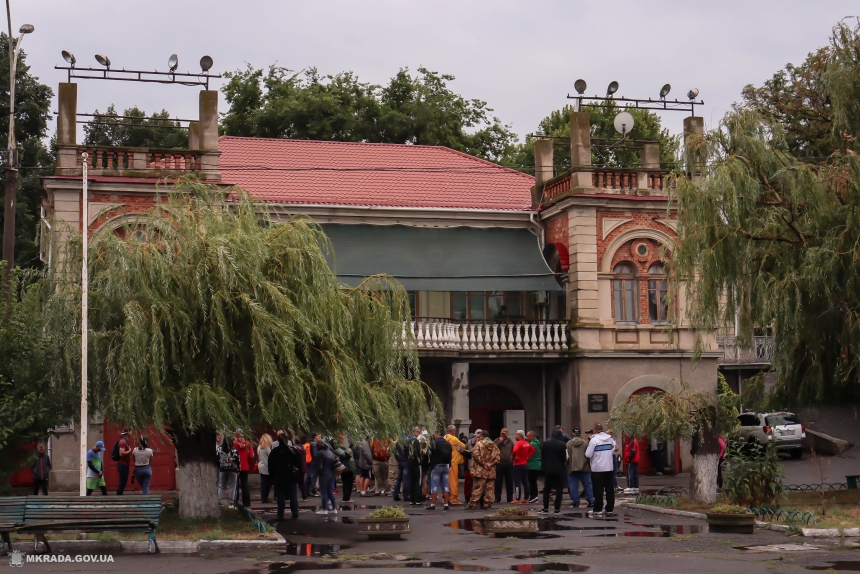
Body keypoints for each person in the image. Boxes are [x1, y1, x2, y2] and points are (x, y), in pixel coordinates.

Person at [268, 431, 301, 520]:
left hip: (279, 477)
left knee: (280, 495)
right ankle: (295, 512)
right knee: (293, 495)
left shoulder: (274, 452)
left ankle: (280, 513)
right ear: (287, 440)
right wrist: (298, 476)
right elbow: (299, 463)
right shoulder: (293, 451)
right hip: (291, 476)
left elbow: (270, 465)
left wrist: (272, 478)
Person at [586, 423, 617, 517]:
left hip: (598, 468)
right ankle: (609, 508)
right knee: (609, 489)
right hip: (609, 467)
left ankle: (598, 508)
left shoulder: (594, 440)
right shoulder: (610, 439)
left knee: (598, 490)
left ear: (595, 430)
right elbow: (613, 450)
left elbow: (588, 454)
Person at [468, 429, 500, 510]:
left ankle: (473, 503)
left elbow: (476, 455)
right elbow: (497, 458)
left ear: (482, 436)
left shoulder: (479, 444)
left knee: (478, 487)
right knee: (490, 488)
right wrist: (491, 464)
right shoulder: (494, 445)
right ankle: (487, 504)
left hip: (480, 470)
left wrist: (484, 464)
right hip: (491, 471)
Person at [539, 427, 567, 515]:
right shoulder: (562, 444)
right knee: (559, 490)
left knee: (547, 489)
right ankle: (557, 509)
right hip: (559, 469)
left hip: (548, 469)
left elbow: (543, 456)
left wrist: (544, 465)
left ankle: (545, 508)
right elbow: (565, 457)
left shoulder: (546, 443)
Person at [566, 428, 594, 508]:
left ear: (572, 433)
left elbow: (567, 456)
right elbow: (588, 455)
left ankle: (575, 501)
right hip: (584, 467)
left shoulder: (568, 444)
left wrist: (567, 466)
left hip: (572, 467)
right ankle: (591, 500)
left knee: (573, 485)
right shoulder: (585, 443)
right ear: (580, 433)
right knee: (588, 484)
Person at [426, 429, 453, 510]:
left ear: (436, 434)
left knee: (434, 486)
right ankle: (446, 504)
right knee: (445, 486)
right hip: (446, 465)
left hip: (436, 465)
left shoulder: (433, 443)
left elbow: (428, 454)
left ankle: (433, 505)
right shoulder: (448, 443)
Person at [312, 439, 338, 514]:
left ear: (319, 445)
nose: (316, 446)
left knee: (323, 492)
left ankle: (324, 509)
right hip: (331, 474)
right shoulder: (329, 452)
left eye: (317, 445)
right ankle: (334, 508)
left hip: (324, 474)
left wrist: (317, 473)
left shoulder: (319, 453)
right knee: (330, 491)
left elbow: (319, 466)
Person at [443, 425, 467, 505]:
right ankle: (454, 499)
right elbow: (463, 446)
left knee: (447, 481)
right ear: (453, 431)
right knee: (454, 482)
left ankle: (448, 497)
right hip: (453, 462)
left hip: (446, 462)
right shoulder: (454, 438)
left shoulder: (444, 437)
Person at [233, 429, 254, 508]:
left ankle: (236, 501)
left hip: (236, 466)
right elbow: (251, 455)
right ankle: (247, 502)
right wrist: (248, 462)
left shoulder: (234, 443)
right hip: (245, 466)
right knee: (245, 484)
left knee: (235, 484)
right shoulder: (248, 444)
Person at [511, 430, 534, 504]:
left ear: (520, 435)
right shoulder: (526, 443)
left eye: (516, 435)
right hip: (525, 464)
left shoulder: (518, 443)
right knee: (525, 482)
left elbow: (514, 451)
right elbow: (533, 450)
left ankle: (517, 499)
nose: (515, 436)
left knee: (517, 482)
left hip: (517, 465)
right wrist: (527, 457)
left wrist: (514, 457)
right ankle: (526, 498)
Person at [494, 428, 514, 503]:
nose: (503, 434)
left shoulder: (510, 442)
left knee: (509, 481)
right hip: (499, 463)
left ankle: (510, 497)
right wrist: (499, 442)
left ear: (507, 434)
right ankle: (497, 497)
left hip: (508, 464)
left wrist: (512, 458)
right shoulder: (496, 440)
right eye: (502, 433)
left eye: (505, 433)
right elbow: (493, 448)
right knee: (498, 481)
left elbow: (513, 450)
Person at [334, 433, 356, 503]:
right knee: (347, 482)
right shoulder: (339, 448)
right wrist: (349, 450)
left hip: (347, 466)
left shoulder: (342, 447)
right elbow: (348, 454)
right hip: (345, 466)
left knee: (349, 482)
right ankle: (346, 498)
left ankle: (347, 497)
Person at [407, 427, 423, 505]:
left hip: (409, 463)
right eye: (418, 432)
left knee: (412, 481)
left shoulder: (407, 441)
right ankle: (418, 499)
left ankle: (412, 499)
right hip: (416, 463)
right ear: (415, 432)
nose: (418, 434)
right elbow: (418, 453)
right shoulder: (415, 441)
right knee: (418, 481)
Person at [393, 436, 411, 502]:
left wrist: (398, 459)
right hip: (406, 462)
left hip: (400, 462)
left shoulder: (398, 442)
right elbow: (410, 453)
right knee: (405, 480)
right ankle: (405, 495)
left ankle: (395, 495)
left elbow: (395, 452)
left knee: (398, 479)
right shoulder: (408, 443)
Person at [116, 429, 133, 495]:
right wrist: (130, 451)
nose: (131, 433)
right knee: (122, 483)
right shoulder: (123, 442)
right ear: (127, 433)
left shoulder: (125, 441)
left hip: (125, 465)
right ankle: (118, 498)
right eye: (130, 431)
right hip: (122, 465)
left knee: (123, 483)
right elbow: (121, 453)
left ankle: (119, 496)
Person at [526, 431, 542, 504]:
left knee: (531, 482)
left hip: (532, 464)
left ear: (532, 436)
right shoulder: (538, 442)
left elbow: (528, 453)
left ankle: (533, 496)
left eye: (528, 436)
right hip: (537, 464)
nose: (527, 438)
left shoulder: (532, 444)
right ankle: (534, 496)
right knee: (534, 482)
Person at [257, 433, 274, 504]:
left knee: (263, 482)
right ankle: (265, 497)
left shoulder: (259, 447)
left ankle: (263, 497)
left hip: (260, 466)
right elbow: (271, 457)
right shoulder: (267, 448)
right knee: (269, 483)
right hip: (267, 467)